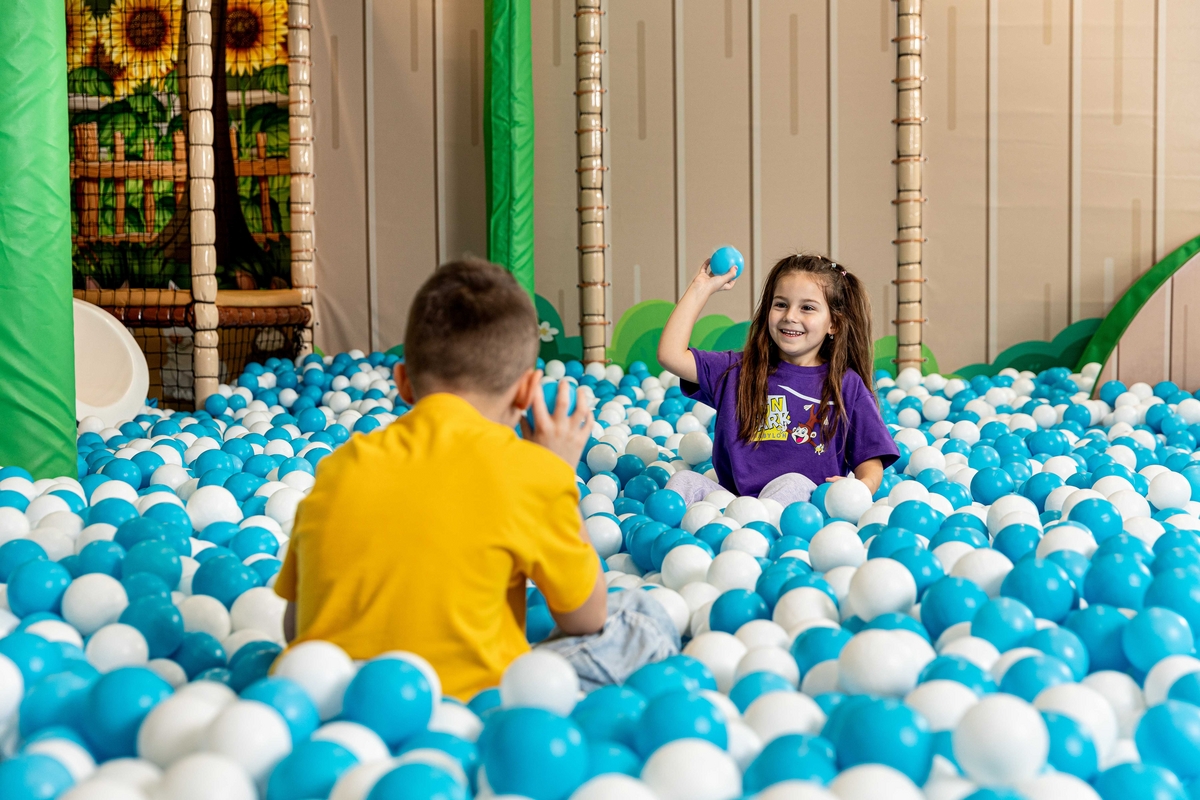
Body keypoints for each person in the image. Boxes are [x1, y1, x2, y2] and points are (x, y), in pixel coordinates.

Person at [274, 259, 678, 699]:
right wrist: (558, 473)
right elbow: (587, 618)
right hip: (473, 708)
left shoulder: (339, 467)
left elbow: (295, 625)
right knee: (639, 616)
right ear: (527, 391)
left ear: (404, 383)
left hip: (333, 702)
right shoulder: (532, 473)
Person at [657, 253, 898, 505]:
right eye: (781, 304)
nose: (790, 316)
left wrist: (859, 487)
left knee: (792, 483)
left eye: (807, 307)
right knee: (684, 480)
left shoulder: (845, 385)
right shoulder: (737, 370)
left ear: (833, 324)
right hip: (733, 504)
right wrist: (701, 287)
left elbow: (869, 457)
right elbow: (670, 355)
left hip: (802, 511)